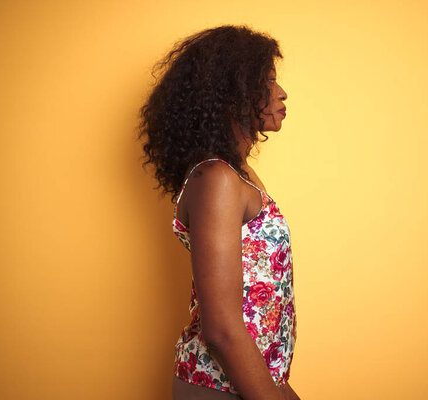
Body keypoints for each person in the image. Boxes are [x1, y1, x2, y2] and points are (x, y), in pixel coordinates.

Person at [137, 25, 299, 400]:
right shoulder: (217, 179)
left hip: (252, 378)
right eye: (269, 81)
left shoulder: (236, 173)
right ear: (233, 94)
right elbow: (222, 328)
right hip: (218, 385)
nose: (282, 92)